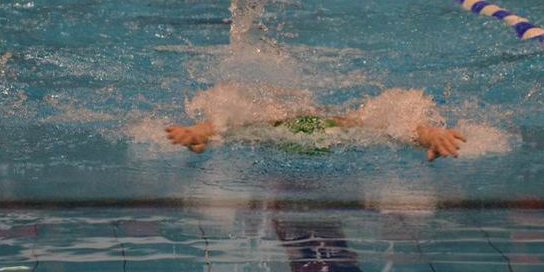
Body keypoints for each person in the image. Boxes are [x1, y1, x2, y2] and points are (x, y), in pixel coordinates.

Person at [166, 83, 465, 161]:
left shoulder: (345, 123)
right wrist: (195, 134)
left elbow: (400, 127)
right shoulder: (265, 121)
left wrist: (431, 136)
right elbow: (219, 127)